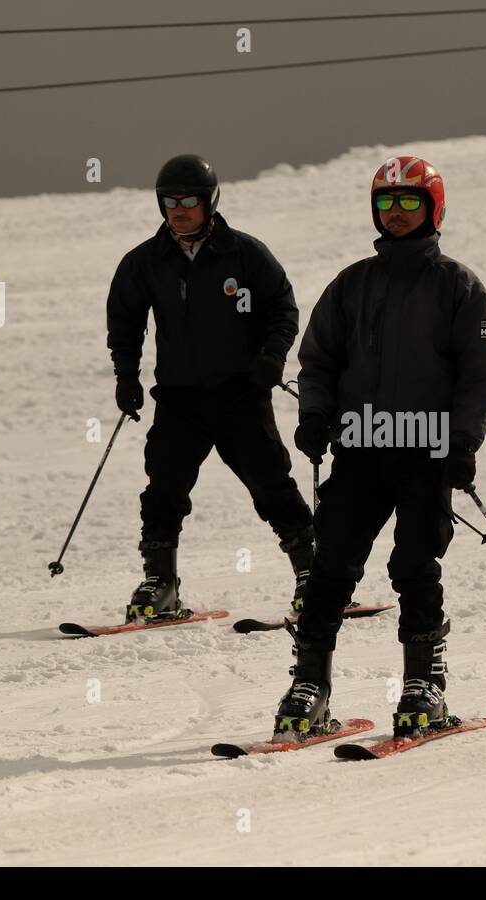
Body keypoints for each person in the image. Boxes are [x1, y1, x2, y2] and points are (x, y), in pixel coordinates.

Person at [274, 156, 486, 739]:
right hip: (361, 449)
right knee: (330, 566)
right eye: (386, 204)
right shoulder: (353, 284)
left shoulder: (459, 287)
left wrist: (461, 443)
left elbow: (480, 373)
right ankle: (311, 685)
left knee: (414, 564)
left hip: (426, 452)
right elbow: (319, 359)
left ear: (433, 209)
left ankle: (422, 686)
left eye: (408, 203)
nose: (396, 215)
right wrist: (316, 415)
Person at [106, 154, 313, 621]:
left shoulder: (244, 254)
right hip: (180, 397)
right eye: (170, 201)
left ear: (210, 201)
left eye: (189, 201)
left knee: (271, 484)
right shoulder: (146, 262)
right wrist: (126, 373)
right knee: (163, 487)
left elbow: (283, 308)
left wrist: (271, 358)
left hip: (240, 394)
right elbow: (124, 319)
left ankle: (313, 574)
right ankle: (161, 583)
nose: (178, 210)